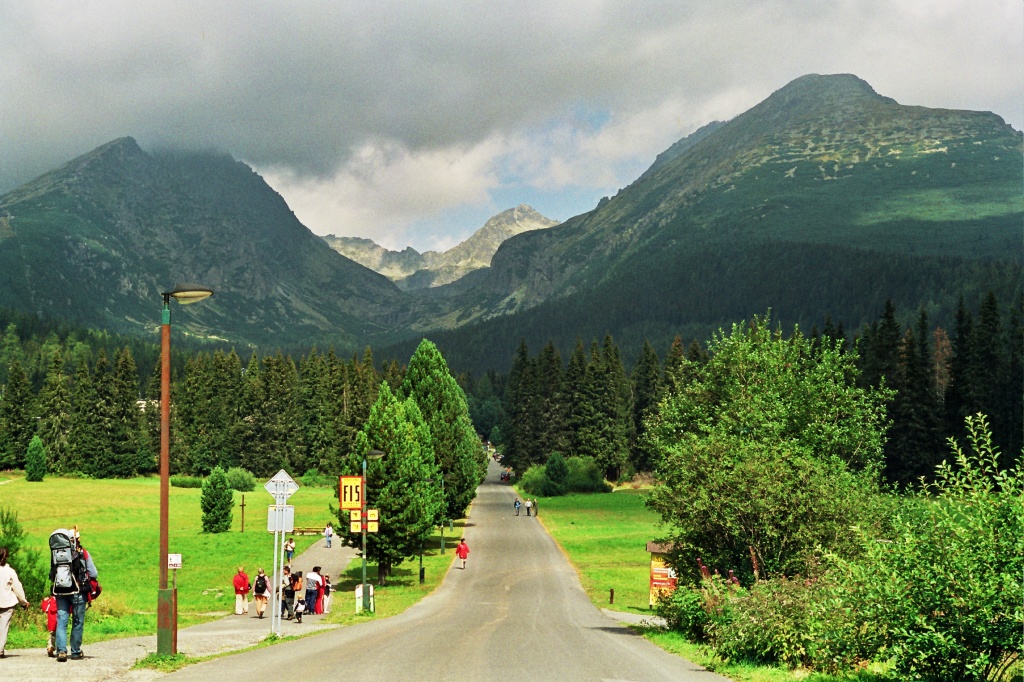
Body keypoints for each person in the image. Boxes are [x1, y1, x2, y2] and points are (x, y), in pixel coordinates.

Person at [52, 530, 97, 662]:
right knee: (77, 622)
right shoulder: (82, 552)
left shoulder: (56, 553)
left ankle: (61, 651)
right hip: (78, 591)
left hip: (60, 591)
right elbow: (93, 573)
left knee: (61, 622)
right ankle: (76, 652)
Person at [0, 547, 30, 659]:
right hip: (6, 603)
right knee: (3, 628)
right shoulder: (10, 571)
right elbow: (17, 588)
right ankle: (0, 650)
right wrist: (23, 602)